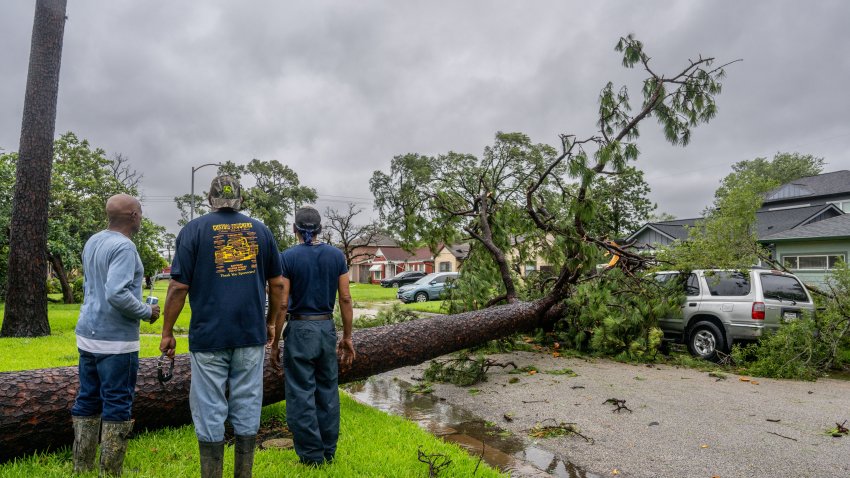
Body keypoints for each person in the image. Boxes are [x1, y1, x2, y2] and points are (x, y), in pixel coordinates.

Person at [159, 175, 284, 478]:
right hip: (249, 334)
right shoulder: (261, 231)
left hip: (208, 335)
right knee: (248, 403)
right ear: (241, 199)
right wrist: (270, 324)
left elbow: (177, 287)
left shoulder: (193, 230)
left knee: (209, 406)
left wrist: (167, 331)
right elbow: (278, 285)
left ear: (209, 199)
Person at [72, 194, 161, 476]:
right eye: (141, 213)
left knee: (87, 398)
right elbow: (116, 293)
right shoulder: (124, 248)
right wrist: (148, 312)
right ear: (133, 215)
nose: (142, 217)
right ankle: (110, 472)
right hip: (116, 341)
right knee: (117, 402)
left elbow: (95, 288)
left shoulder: (94, 241)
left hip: (87, 333)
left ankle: (81, 467)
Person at [270, 206, 355, 466]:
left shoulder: (288, 257)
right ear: (320, 229)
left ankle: (311, 456)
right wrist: (347, 337)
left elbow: (283, 304)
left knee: (300, 392)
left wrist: (275, 341)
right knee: (328, 391)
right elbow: (346, 298)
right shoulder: (336, 256)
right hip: (326, 329)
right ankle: (328, 450)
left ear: (295, 229)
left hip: (300, 329)